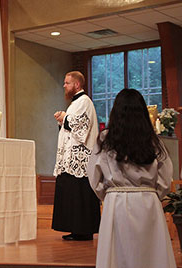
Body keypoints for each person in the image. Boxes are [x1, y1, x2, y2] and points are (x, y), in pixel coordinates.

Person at [87, 88, 176, 268]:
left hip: (116, 203)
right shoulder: (154, 142)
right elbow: (166, 179)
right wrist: (153, 193)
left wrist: (107, 194)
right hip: (148, 204)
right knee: (150, 258)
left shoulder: (105, 140)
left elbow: (94, 177)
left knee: (117, 258)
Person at [51, 71, 101, 241]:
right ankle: (75, 228)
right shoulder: (75, 103)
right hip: (70, 157)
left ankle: (83, 230)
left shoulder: (84, 101)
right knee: (72, 193)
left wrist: (65, 118)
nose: (64, 86)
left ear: (77, 85)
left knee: (80, 193)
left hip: (81, 158)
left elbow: (82, 128)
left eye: (67, 83)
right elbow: (70, 128)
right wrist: (63, 121)